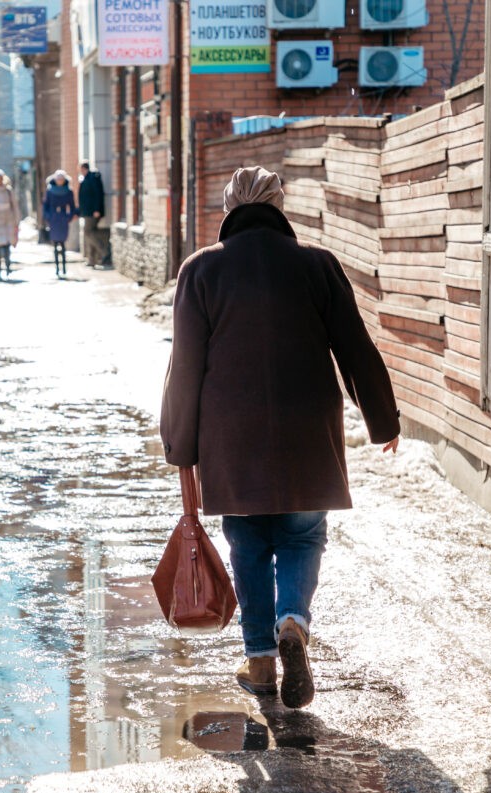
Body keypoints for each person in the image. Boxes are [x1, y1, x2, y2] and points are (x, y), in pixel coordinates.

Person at [159, 166, 401, 710]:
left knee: (247, 543)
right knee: (300, 536)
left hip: (231, 437)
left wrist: (180, 446)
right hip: (306, 434)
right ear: (279, 204)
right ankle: (293, 620)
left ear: (228, 208)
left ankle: (262, 660)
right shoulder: (317, 264)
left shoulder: (201, 270)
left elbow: (185, 367)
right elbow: (355, 347)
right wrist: (382, 419)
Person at [42, 170, 77, 278]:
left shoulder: (68, 191)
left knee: (63, 244)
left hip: (63, 219)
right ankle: (57, 268)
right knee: (55, 244)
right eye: (58, 179)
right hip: (53, 219)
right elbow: (45, 206)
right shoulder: (50, 190)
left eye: (61, 179)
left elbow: (72, 206)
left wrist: (69, 217)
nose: (60, 181)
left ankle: (64, 267)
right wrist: (48, 217)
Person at [77, 162, 110, 267]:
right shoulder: (86, 178)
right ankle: (92, 260)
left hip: (92, 212)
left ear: (83, 168)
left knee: (87, 233)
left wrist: (96, 209)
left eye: (79, 168)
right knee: (90, 233)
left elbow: (97, 194)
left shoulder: (92, 178)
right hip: (87, 211)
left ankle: (104, 252)